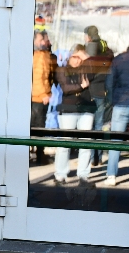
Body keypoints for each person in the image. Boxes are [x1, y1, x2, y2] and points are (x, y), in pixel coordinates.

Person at [54, 48, 96, 186]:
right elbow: (66, 88)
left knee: (86, 143)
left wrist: (87, 58)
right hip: (69, 110)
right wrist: (81, 86)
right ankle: (60, 175)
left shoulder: (86, 70)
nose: (77, 60)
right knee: (65, 143)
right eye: (75, 57)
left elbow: (94, 71)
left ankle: (83, 175)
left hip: (86, 109)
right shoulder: (62, 70)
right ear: (69, 57)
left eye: (80, 57)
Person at [83, 25, 113, 166]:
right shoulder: (106, 50)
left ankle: (89, 158)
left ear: (88, 36)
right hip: (102, 91)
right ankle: (98, 157)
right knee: (99, 125)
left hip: (91, 91)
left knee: (89, 125)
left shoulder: (90, 50)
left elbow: (89, 74)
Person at [31, 31, 57, 164]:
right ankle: (40, 156)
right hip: (39, 97)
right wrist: (44, 94)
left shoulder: (38, 54)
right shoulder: (41, 55)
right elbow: (39, 76)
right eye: (41, 39)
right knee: (39, 127)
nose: (44, 42)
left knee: (34, 127)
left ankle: (36, 154)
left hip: (35, 96)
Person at [104, 46, 129, 186]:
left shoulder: (119, 60)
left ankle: (111, 175)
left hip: (121, 104)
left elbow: (109, 82)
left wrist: (112, 100)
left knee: (116, 141)